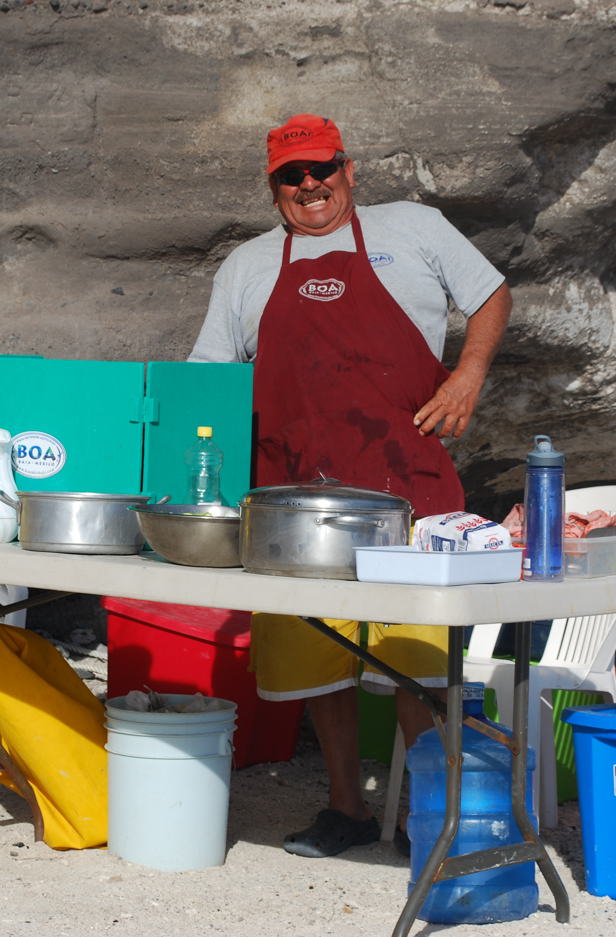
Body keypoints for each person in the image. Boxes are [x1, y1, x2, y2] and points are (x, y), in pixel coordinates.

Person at [189, 114, 513, 858]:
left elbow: (492, 293)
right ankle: (346, 806)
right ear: (273, 187)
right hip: (293, 499)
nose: (310, 186)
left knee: (418, 660)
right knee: (319, 654)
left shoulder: (415, 229)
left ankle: (428, 816)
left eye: (321, 169)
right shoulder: (247, 266)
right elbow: (207, 378)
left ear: (349, 169)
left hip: (410, 486)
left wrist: (468, 375)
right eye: (291, 176)